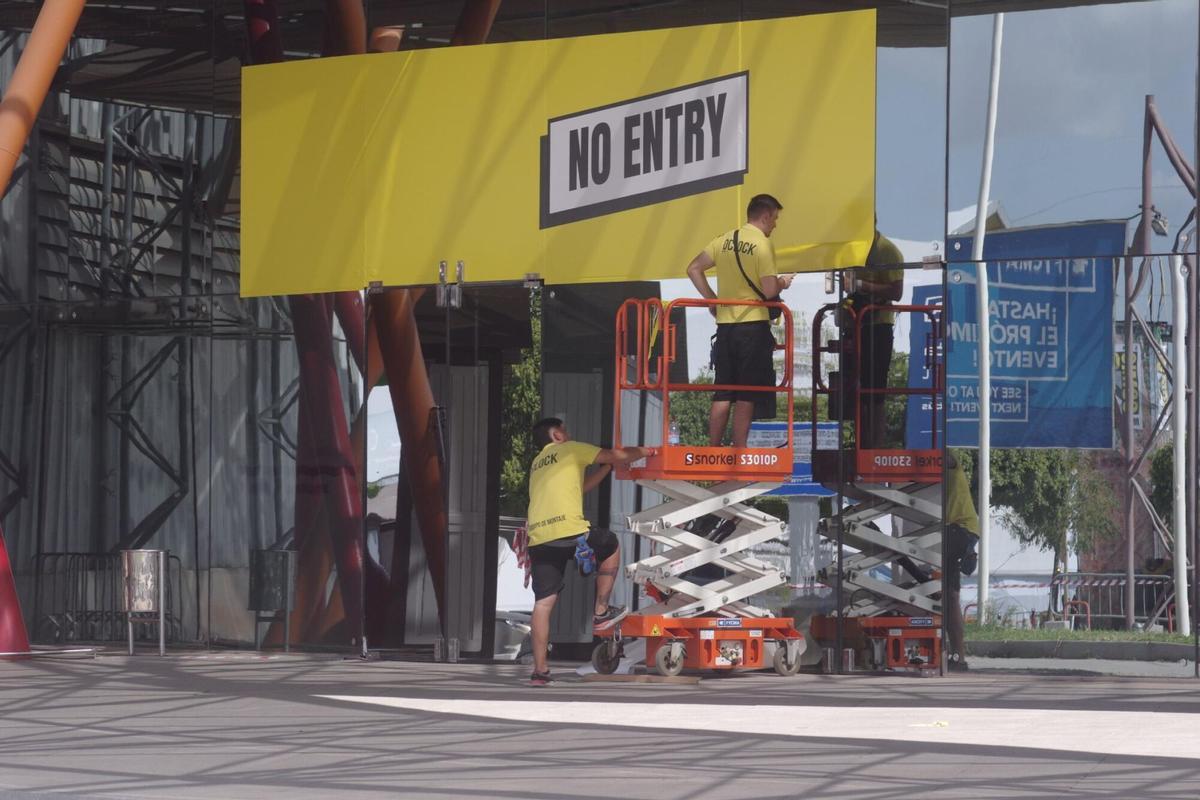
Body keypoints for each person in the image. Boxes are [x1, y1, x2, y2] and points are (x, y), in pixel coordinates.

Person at [524, 417, 654, 686]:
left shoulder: (538, 464)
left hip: (539, 538)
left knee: (543, 603)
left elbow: (579, 488)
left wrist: (607, 467)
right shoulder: (570, 449)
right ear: (558, 435)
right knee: (611, 544)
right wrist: (648, 451)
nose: (569, 433)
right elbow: (617, 454)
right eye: (566, 430)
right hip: (571, 532)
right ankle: (601, 610)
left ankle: (540, 671)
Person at [686, 193, 794, 448]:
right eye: (775, 219)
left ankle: (713, 448)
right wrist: (783, 283)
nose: (775, 225)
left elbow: (693, 268)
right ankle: (738, 450)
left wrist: (713, 301)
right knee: (747, 391)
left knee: (723, 389)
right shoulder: (762, 244)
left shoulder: (724, 240)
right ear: (765, 216)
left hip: (725, 327)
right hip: (753, 326)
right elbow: (769, 291)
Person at [846, 230, 904, 449]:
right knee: (857, 391)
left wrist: (861, 285)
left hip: (878, 326)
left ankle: (875, 448)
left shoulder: (888, 252)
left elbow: (896, 292)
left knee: (875, 391)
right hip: (856, 324)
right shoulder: (851, 249)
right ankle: (863, 444)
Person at [943, 451, 980, 671]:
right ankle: (959, 657)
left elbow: (947, 458)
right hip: (963, 533)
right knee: (951, 597)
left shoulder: (951, 463)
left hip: (959, 530)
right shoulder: (949, 477)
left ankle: (956, 654)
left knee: (944, 593)